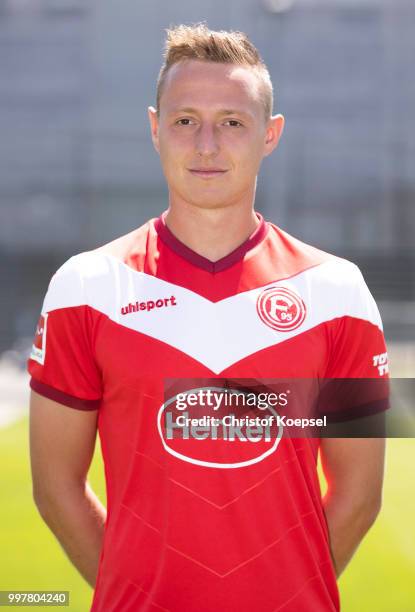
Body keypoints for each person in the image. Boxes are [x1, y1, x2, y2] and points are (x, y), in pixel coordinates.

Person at [28, 24, 388, 612]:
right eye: (185, 120)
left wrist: (285, 594)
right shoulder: (84, 287)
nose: (207, 145)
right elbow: (56, 489)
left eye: (233, 122)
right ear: (154, 128)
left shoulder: (339, 290)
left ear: (270, 135)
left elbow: (360, 497)